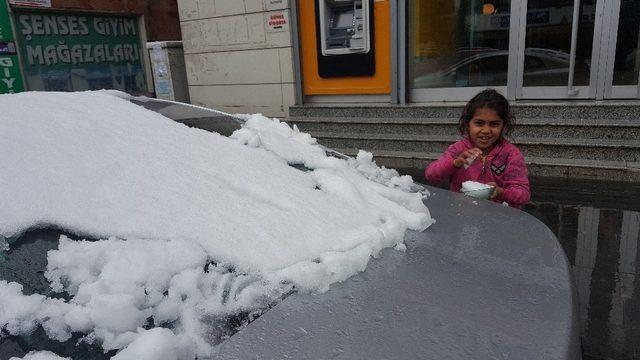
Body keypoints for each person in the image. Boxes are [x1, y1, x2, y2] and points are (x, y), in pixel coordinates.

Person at [424, 89, 530, 208]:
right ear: (467, 124)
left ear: (503, 126)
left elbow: (523, 194)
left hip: (498, 217)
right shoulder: (458, 150)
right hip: (461, 213)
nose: (486, 131)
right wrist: (455, 163)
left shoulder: (511, 154)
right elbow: (431, 175)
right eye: (479, 123)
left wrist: (501, 193)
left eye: (494, 124)